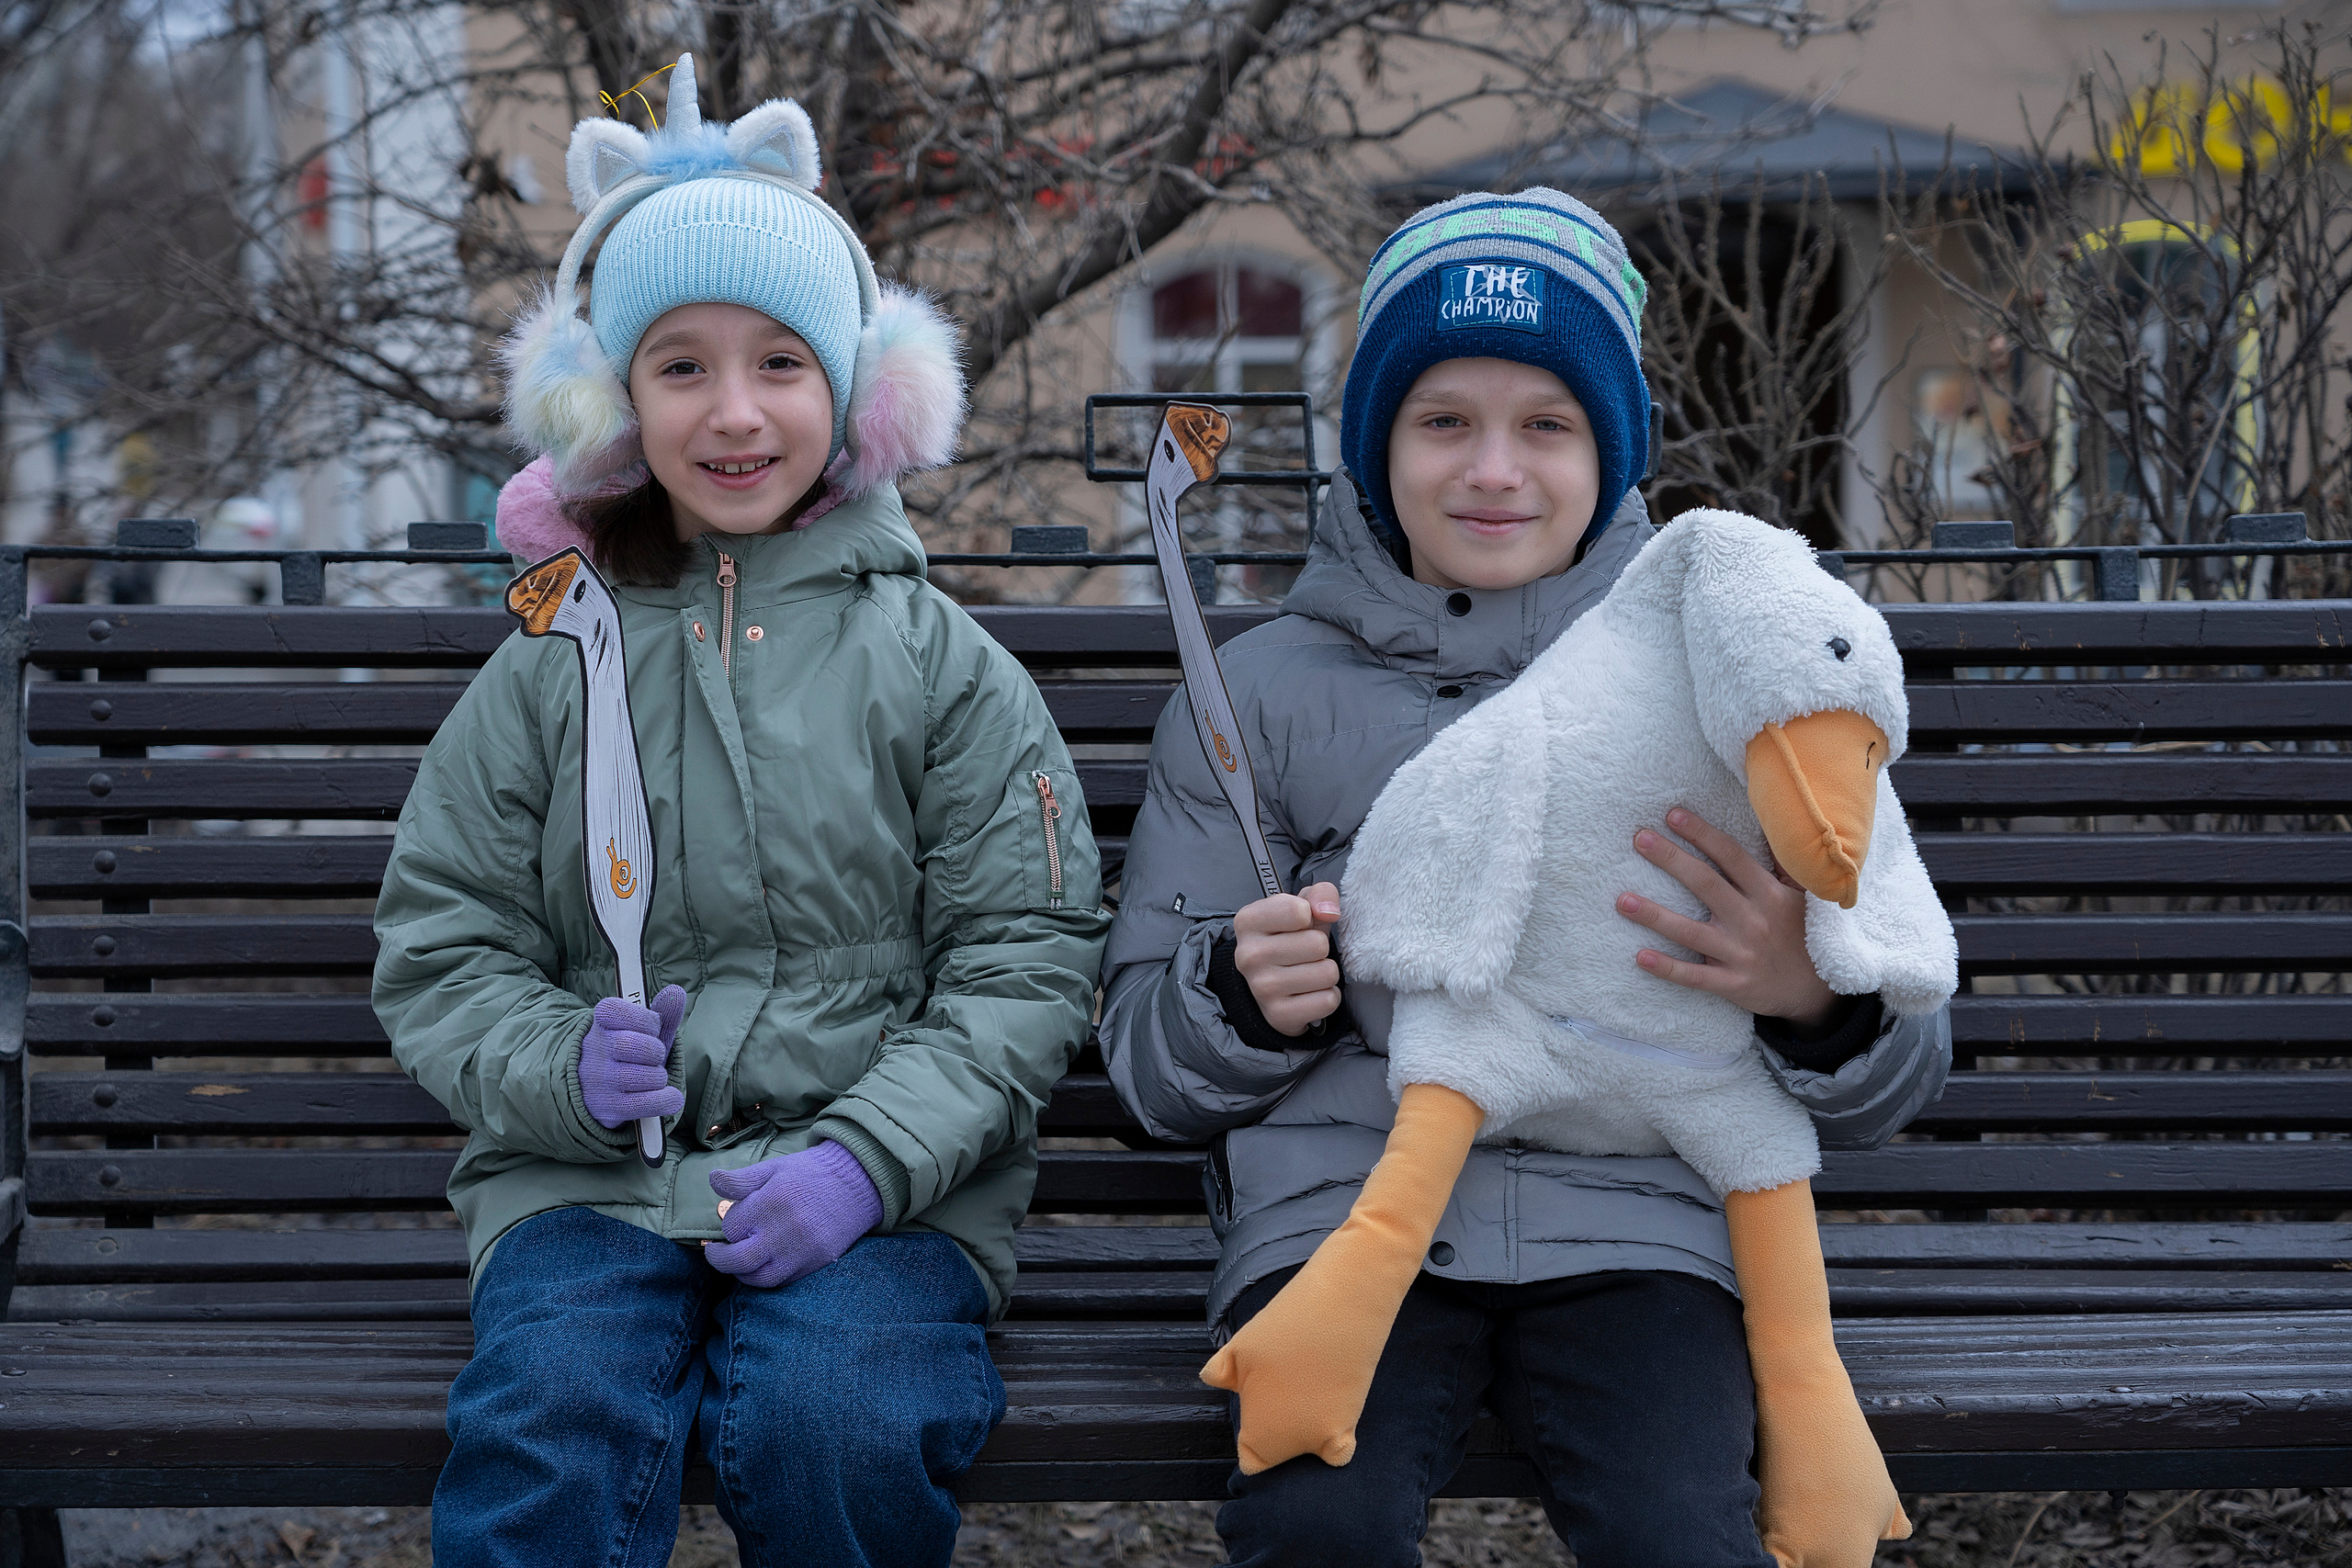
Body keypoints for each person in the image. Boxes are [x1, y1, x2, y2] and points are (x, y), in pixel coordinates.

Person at [1098, 188, 1951, 1567]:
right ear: (1378, 445)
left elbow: (1906, 1058)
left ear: (1610, 455)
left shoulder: (1725, 674)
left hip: (1640, 1227)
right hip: (1345, 1216)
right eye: (1444, 421)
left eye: (1546, 424)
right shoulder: (1253, 697)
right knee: (1321, 1524)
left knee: (1684, 1534)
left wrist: (1813, 998)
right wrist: (1239, 1001)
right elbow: (1144, 1066)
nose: (1494, 466)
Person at [372, 58, 1109, 1568]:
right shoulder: (556, 658)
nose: (734, 413)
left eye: (781, 362)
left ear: (852, 389)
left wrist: (866, 1161)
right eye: (680, 366)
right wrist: (558, 1063)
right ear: (612, 399)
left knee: (832, 1416)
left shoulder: (937, 663)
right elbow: (442, 938)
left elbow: (1024, 956)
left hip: (883, 1189)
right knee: (550, 1419)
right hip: (592, 1184)